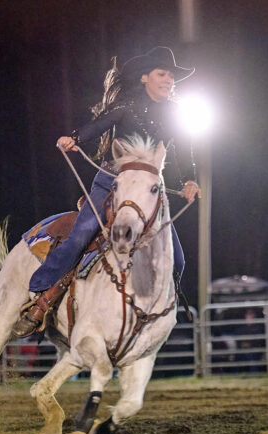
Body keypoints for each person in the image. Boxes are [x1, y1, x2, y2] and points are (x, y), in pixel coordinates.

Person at [13, 46, 201, 337]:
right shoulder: (127, 105)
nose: (168, 80)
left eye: (171, 76)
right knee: (80, 236)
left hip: (150, 190)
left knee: (178, 257)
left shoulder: (174, 113)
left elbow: (182, 152)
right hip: (111, 183)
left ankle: (162, 312)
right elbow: (100, 125)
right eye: (162, 73)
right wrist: (75, 138)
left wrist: (189, 179)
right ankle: (39, 294)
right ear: (144, 78)